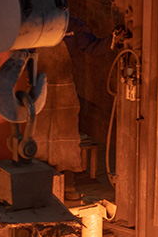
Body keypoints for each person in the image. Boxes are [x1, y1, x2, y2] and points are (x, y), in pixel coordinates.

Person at [35, 17, 126, 201]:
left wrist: (113, 40)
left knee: (67, 139)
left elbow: (92, 47)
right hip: (39, 90)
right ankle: (41, 187)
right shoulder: (33, 24)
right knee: (40, 139)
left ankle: (68, 185)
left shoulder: (71, 25)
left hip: (65, 90)